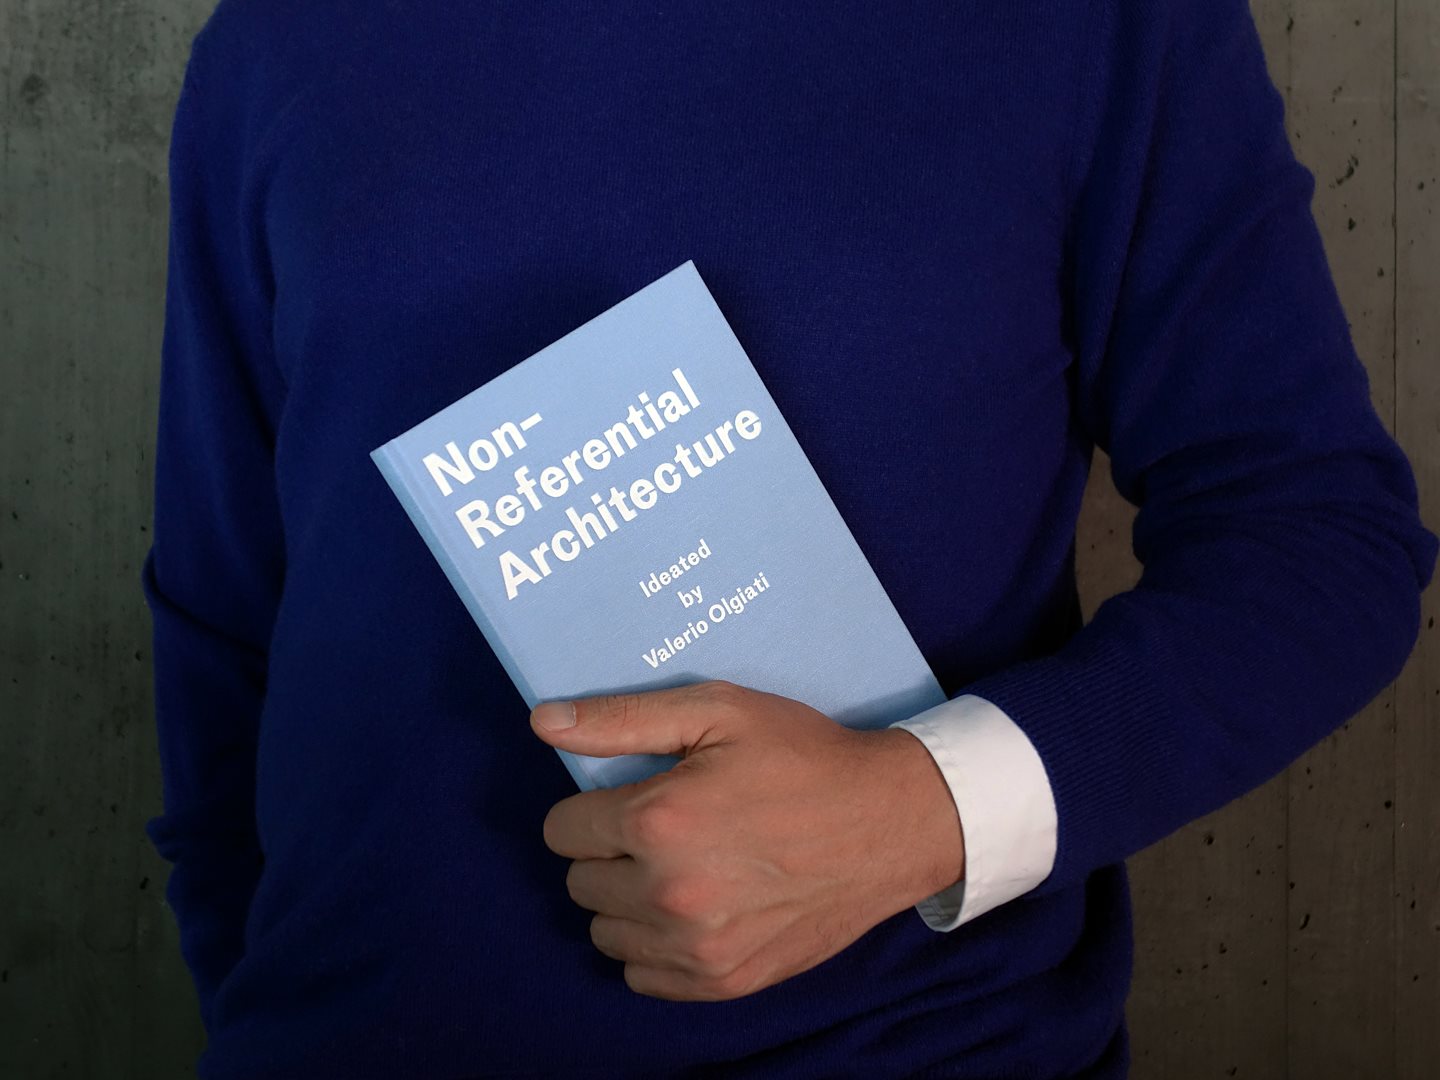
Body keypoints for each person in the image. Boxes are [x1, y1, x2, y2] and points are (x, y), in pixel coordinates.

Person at [140, 1, 1437, 1077]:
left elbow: (1317, 537)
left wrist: (923, 810)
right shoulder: (278, 45)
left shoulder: (1095, 25)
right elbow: (222, 620)